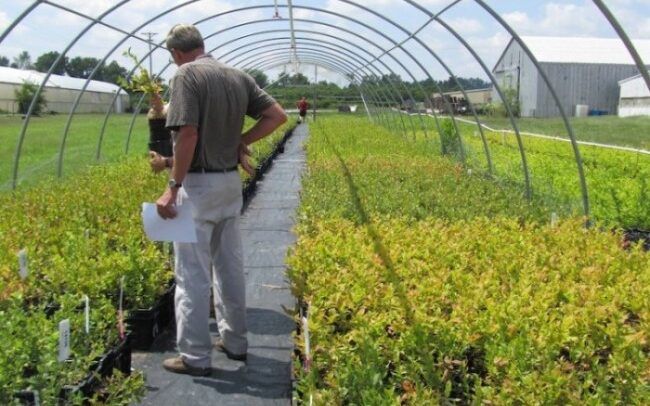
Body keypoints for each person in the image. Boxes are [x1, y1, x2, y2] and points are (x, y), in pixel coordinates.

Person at [156, 23, 287, 376]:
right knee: (228, 266)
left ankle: (195, 357)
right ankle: (235, 342)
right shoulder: (237, 76)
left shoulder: (186, 76)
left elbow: (187, 134)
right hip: (229, 183)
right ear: (201, 45)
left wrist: (172, 185)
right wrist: (241, 140)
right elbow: (278, 116)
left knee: (191, 274)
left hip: (198, 187)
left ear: (177, 53)